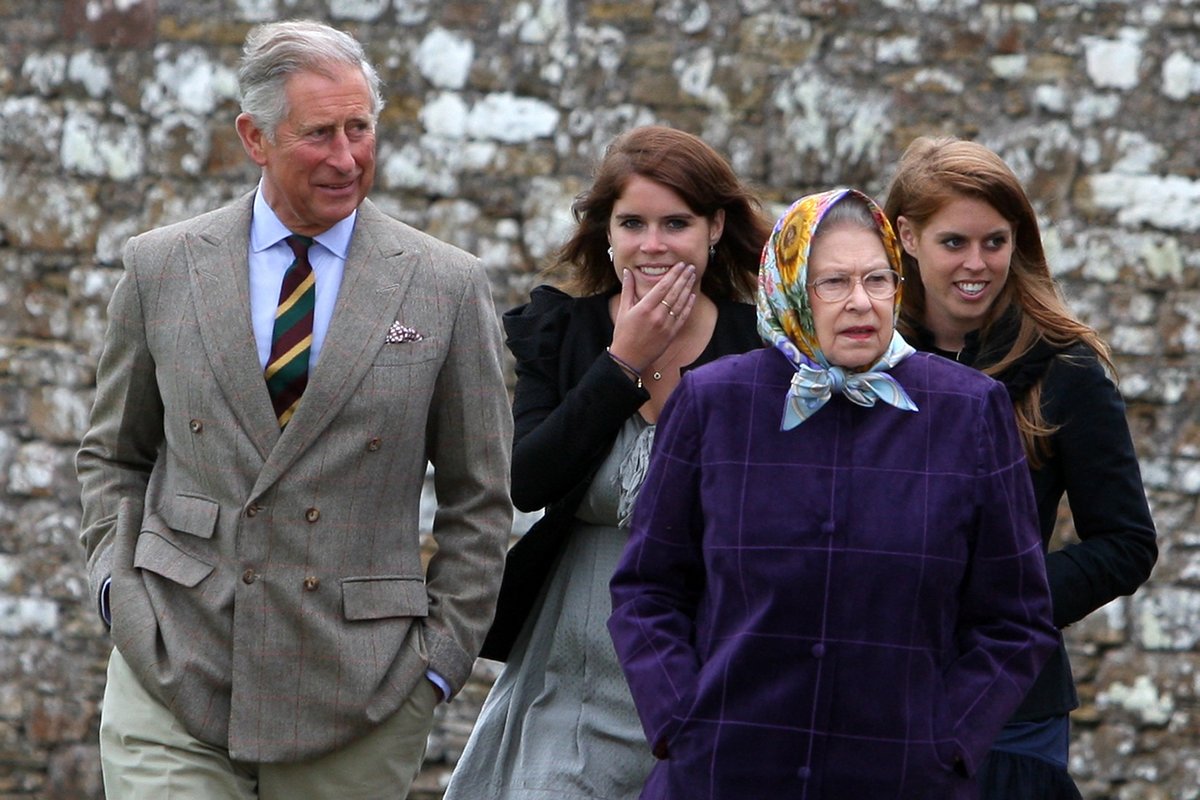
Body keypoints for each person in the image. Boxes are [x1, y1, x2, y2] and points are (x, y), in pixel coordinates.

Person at [75, 19, 513, 799]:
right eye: (319, 134)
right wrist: (118, 592)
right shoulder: (160, 268)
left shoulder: (446, 286)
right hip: (172, 666)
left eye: (360, 129)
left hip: (360, 697)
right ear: (255, 136)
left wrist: (439, 665)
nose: (347, 158)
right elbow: (114, 454)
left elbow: (479, 498)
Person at [608, 188, 1059, 799]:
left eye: (878, 280)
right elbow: (646, 589)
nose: (861, 302)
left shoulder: (968, 410)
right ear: (791, 287)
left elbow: (1016, 617)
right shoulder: (713, 402)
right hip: (722, 772)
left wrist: (947, 742)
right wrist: (680, 722)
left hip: (900, 779)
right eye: (833, 283)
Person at [443, 125, 772, 800]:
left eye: (676, 223)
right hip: (575, 659)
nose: (652, 245)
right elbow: (528, 480)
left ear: (714, 228)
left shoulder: (761, 347)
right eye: (632, 224)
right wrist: (622, 362)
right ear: (608, 233)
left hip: (710, 655)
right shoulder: (563, 330)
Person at [883, 136, 1158, 799]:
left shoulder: (1066, 369)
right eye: (955, 242)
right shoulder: (860, 357)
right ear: (907, 237)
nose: (977, 264)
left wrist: (1005, 598)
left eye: (996, 242)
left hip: (1011, 710)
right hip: (875, 690)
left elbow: (1127, 543)